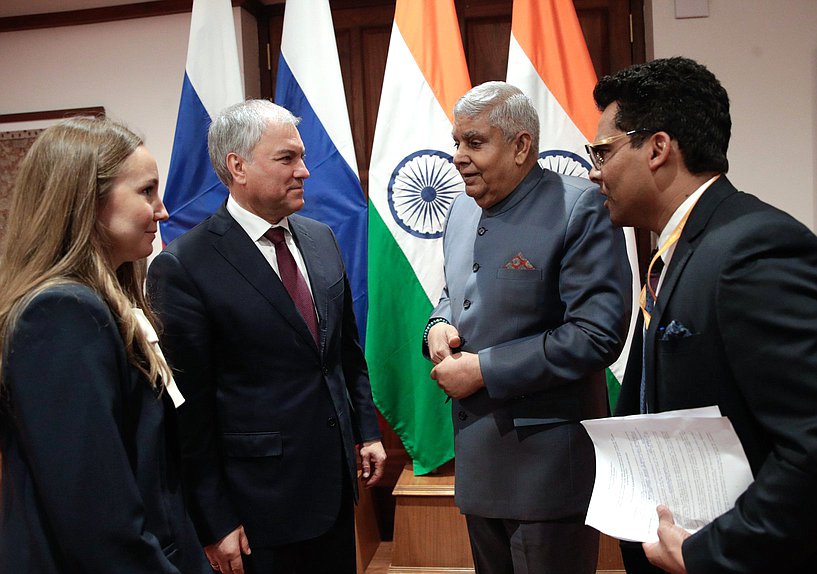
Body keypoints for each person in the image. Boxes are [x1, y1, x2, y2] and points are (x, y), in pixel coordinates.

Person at [588, 56, 817, 574]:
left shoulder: (751, 249)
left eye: (603, 151)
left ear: (658, 148)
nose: (593, 170)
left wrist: (709, 553)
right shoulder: (681, 249)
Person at [147, 99, 385, 574]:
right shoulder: (184, 266)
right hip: (257, 508)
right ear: (238, 166)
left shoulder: (320, 238)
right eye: (287, 159)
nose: (305, 171)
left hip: (336, 488)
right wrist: (214, 521)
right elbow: (189, 412)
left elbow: (343, 353)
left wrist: (366, 430)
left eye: (301, 156)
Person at [424, 81, 631, 574]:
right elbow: (455, 291)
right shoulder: (458, 209)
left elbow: (596, 333)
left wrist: (484, 370)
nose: (458, 157)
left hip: (547, 476)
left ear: (521, 146)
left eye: (474, 142)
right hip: (478, 466)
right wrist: (436, 325)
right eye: (456, 142)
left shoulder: (580, 206)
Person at [0, 117, 208, 573]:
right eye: (147, 191)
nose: (164, 210)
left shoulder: (103, 301)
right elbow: (96, 515)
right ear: (86, 202)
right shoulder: (59, 313)